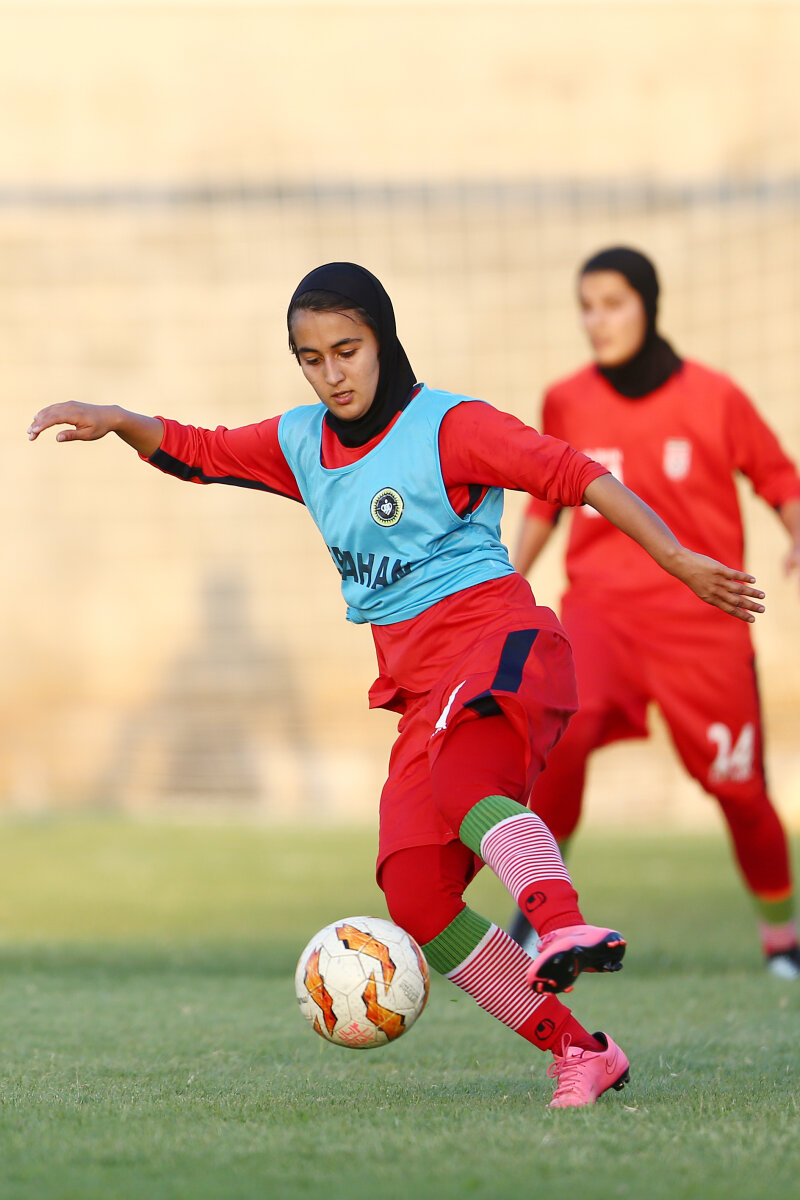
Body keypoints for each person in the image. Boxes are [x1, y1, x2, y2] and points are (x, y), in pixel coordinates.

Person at [27, 262, 765, 1108]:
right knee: (416, 894)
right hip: (422, 695)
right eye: (312, 358)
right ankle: (581, 1051)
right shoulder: (303, 442)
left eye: (348, 350)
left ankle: (563, 926)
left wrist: (676, 558)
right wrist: (119, 419)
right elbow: (202, 452)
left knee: (464, 785)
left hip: (501, 645)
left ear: (383, 340)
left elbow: (577, 474)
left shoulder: (451, 426)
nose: (332, 374)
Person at [509, 246, 800, 979]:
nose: (597, 321)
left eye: (613, 304)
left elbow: (778, 478)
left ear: (649, 304)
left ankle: (782, 938)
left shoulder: (715, 397)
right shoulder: (566, 400)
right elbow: (545, 502)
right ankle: (542, 915)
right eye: (586, 307)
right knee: (559, 744)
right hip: (599, 615)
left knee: (739, 788)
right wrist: (508, 582)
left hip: (701, 621)